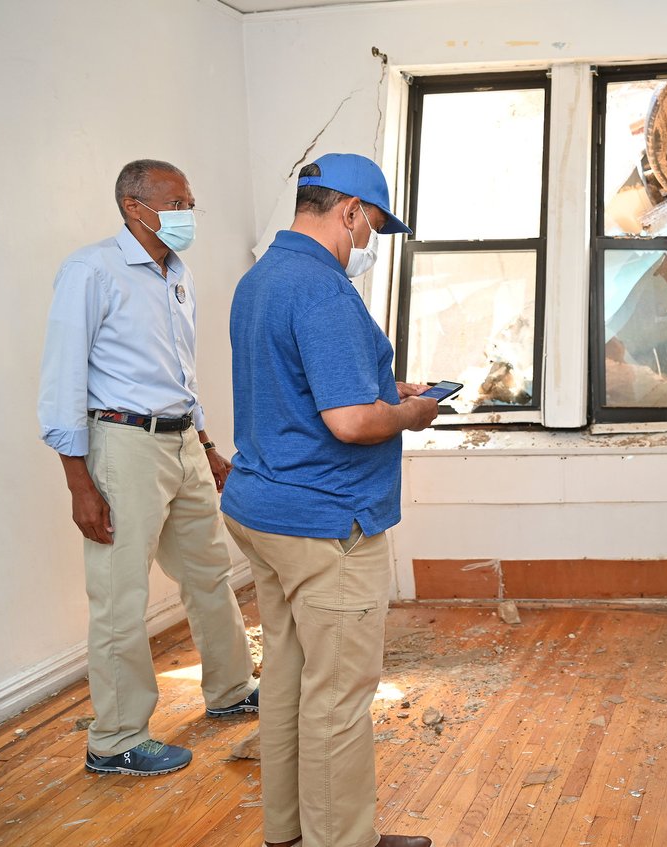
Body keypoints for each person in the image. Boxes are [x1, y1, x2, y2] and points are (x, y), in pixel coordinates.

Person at [222, 153, 437, 847]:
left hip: (263, 510)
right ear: (347, 209)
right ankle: (343, 839)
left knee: (288, 677)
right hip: (324, 520)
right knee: (340, 693)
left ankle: (287, 832)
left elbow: (302, 387)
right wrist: (411, 413)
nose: (368, 241)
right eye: (371, 225)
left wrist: (388, 392)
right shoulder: (322, 289)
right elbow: (348, 422)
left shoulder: (259, 281)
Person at [37, 159, 259, 777]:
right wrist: (78, 482)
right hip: (123, 446)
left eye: (190, 201)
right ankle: (114, 739)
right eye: (177, 201)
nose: (189, 213)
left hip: (183, 443)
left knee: (211, 572)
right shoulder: (92, 270)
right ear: (135, 206)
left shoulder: (176, 273)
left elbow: (177, 374)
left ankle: (232, 690)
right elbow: (61, 380)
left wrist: (206, 443)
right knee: (119, 596)